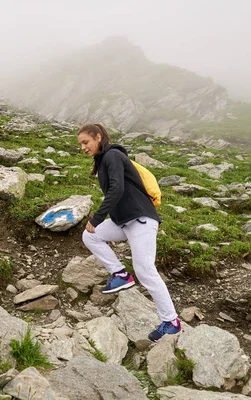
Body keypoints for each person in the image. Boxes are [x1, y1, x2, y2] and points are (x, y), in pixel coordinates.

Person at [77, 123, 181, 341]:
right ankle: (121, 274)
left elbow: (117, 189)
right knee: (91, 235)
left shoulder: (112, 155)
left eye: (85, 142)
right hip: (124, 221)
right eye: (80, 145)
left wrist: (96, 217)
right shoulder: (102, 160)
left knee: (145, 270)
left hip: (141, 219)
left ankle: (171, 321)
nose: (83, 148)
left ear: (98, 137)